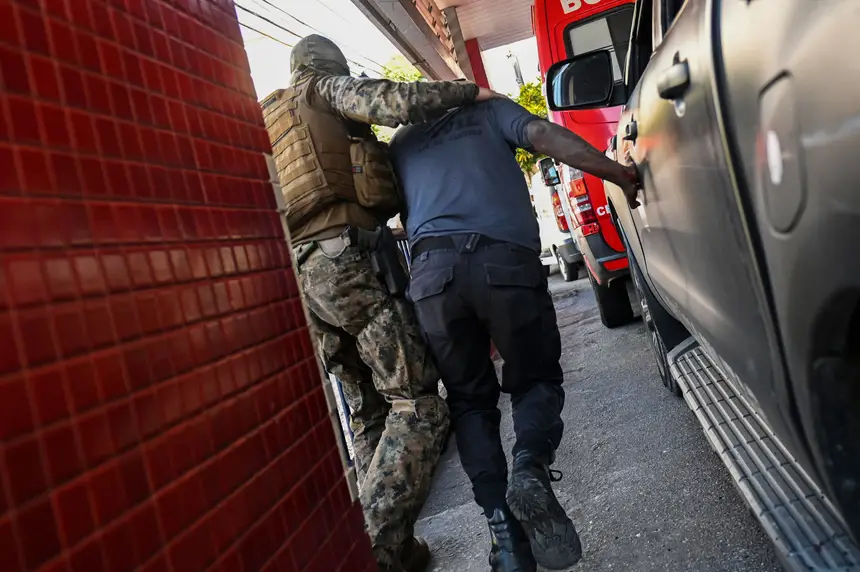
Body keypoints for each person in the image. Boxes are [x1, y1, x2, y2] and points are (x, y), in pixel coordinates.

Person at [262, 35, 502, 572]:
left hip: (304, 278)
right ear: (328, 65)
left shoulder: (270, 119)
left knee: (369, 411)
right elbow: (394, 102)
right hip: (350, 260)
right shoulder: (321, 91)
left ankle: (395, 548)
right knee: (420, 404)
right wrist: (468, 93)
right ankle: (369, 552)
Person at [389, 98, 641, 572]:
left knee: (469, 403)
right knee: (534, 379)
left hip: (431, 278)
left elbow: (393, 213)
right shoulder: (487, 111)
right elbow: (546, 137)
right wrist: (617, 173)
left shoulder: (401, 140)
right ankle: (529, 466)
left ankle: (505, 537)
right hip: (502, 261)